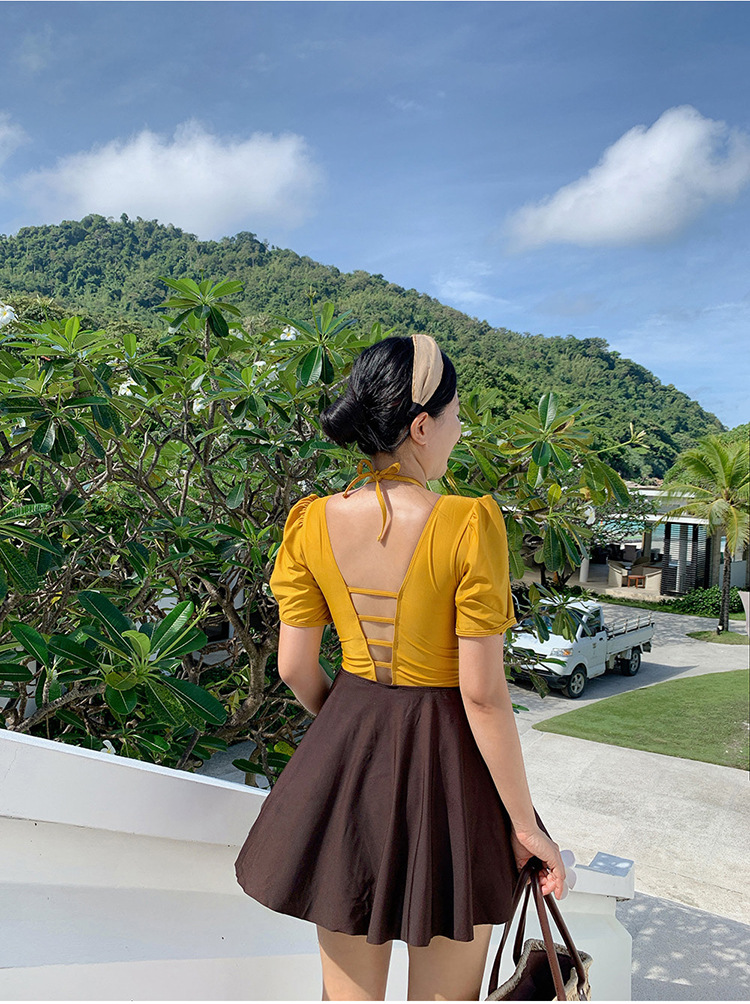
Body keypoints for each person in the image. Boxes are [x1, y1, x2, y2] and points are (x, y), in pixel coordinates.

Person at [235, 334, 566, 1001]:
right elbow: (481, 695)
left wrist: (354, 729)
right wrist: (527, 826)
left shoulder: (309, 522)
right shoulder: (469, 523)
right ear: (420, 427)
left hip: (346, 765)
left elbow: (295, 666)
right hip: (451, 778)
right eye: (455, 416)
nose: (458, 430)